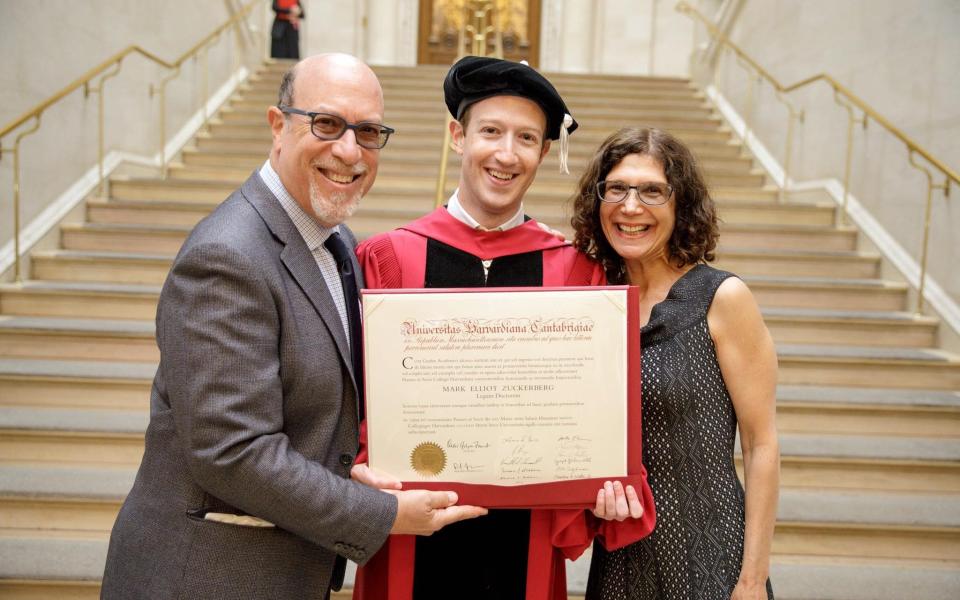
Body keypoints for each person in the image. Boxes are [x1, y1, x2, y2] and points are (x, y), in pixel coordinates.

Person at [100, 54, 485, 600]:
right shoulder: (226, 256)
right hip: (206, 578)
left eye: (369, 132)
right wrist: (383, 513)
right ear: (278, 126)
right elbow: (233, 451)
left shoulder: (339, 245)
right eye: (326, 124)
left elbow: (323, 408)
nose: (349, 151)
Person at [351, 56, 657, 600]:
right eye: (490, 132)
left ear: (544, 151)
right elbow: (348, 400)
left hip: (528, 537)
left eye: (526, 138)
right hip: (411, 531)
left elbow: (594, 412)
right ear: (457, 136)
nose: (506, 154)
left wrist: (605, 477)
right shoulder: (388, 258)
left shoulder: (575, 270)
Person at [570, 127, 780, 600]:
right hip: (622, 559)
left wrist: (751, 580)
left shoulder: (721, 297)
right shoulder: (595, 304)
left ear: (680, 205)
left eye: (652, 191)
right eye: (617, 188)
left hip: (710, 555)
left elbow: (761, 444)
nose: (630, 206)